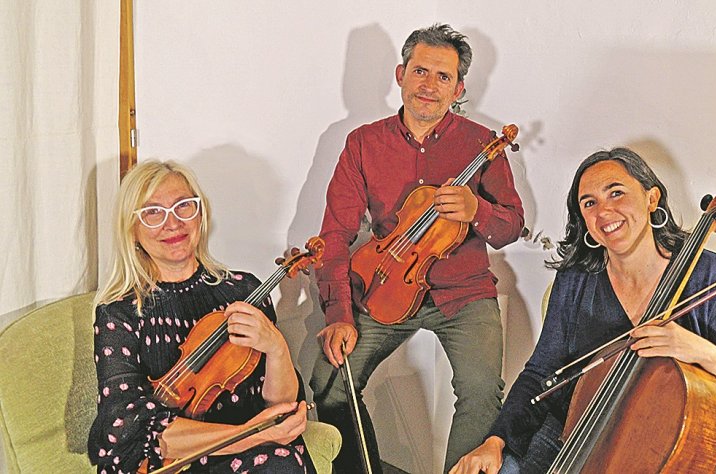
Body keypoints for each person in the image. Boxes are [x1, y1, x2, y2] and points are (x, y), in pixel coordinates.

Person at [452, 148, 716, 474]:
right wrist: (495, 441)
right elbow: (540, 374)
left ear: (651, 198)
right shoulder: (576, 278)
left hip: (678, 441)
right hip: (580, 435)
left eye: (616, 193)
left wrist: (695, 348)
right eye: (589, 203)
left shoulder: (704, 273)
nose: (604, 211)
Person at [310, 24, 525, 473]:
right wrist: (339, 314)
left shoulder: (483, 145)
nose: (429, 85)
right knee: (330, 380)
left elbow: (510, 227)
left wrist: (477, 209)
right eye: (420, 71)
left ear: (458, 89)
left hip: (463, 292)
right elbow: (335, 235)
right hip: (385, 285)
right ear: (400, 75)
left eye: (443, 76)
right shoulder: (363, 143)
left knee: (482, 393)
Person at [87, 160, 314, 473]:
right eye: (153, 212)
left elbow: (279, 407)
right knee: (279, 464)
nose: (172, 223)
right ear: (132, 230)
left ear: (201, 214)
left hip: (253, 455)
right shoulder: (119, 314)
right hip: (169, 462)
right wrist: (250, 436)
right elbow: (129, 428)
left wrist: (276, 347)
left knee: (280, 462)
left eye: (183, 206)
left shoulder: (244, 290)